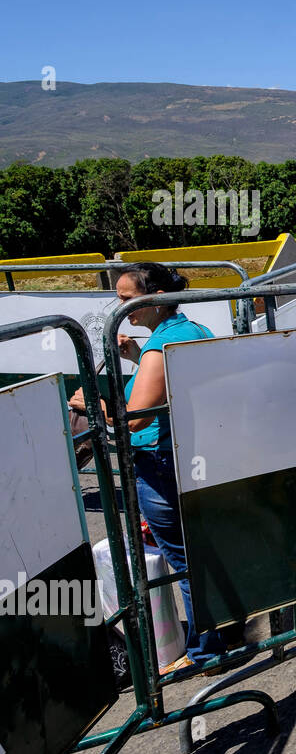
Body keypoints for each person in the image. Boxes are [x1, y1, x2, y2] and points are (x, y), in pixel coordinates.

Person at [68, 262, 225, 673]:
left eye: (127, 299)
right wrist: (138, 355)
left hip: (158, 462)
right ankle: (219, 634)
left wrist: (93, 406)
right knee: (201, 552)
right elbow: (176, 390)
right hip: (191, 456)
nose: (122, 308)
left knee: (184, 561)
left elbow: (134, 419)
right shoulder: (190, 332)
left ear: (154, 297)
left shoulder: (160, 346)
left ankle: (207, 651)